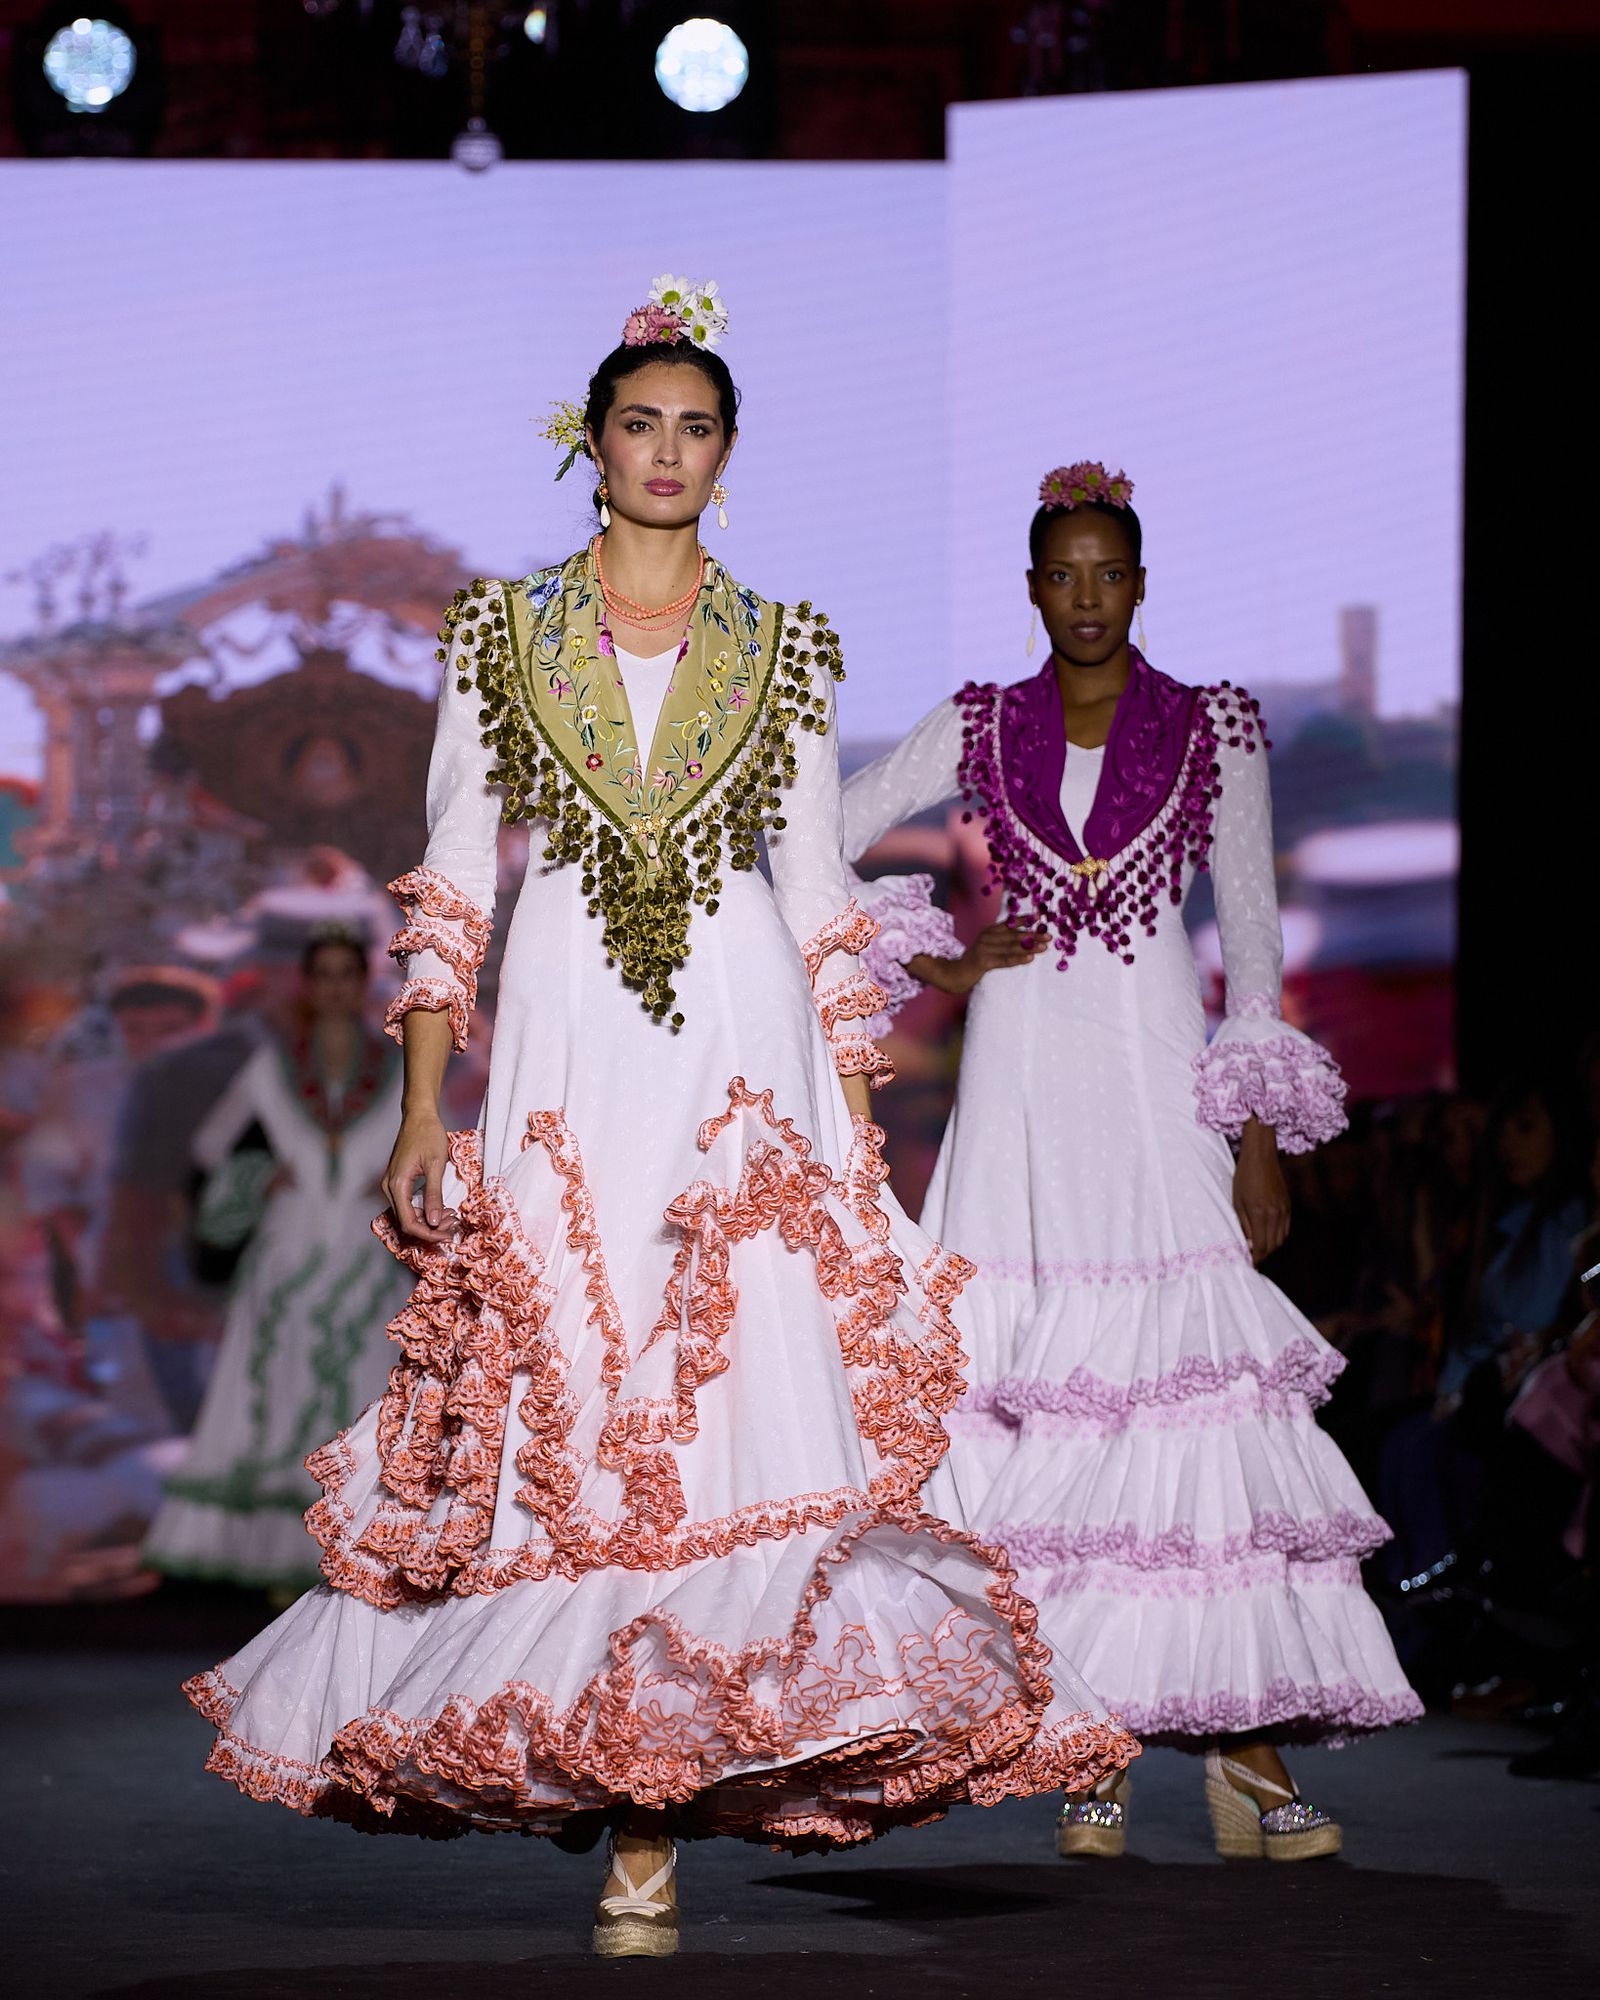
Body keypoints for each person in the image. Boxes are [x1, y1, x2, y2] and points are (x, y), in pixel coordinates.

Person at [182, 285, 1136, 1958]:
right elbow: (456, 880)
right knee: (580, 1388)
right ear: (593, 441)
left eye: (698, 428)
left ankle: (655, 1817)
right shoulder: (498, 636)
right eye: (642, 423)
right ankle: (616, 1782)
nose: (669, 453)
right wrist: (424, 1104)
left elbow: (823, 898)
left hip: (744, 1035)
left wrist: (856, 1130)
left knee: (740, 1408)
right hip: (567, 1044)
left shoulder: (788, 642)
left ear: (730, 452)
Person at [843, 462, 1420, 1861]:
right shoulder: (981, 722)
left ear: (1141, 585)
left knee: (1189, 1413)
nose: (1088, 597)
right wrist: (947, 951)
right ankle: (1085, 1740)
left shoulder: (1213, 727)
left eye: (1112, 573)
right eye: (1065, 574)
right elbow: (825, 833)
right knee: (1045, 1410)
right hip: (1028, 1087)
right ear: (1032, 587)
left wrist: (1262, 1141)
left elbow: (1257, 946)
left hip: (1160, 1074)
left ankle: (1246, 1760)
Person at [144, 928, 408, 1593]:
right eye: (324, 975)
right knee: (280, 1393)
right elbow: (209, 1149)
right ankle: (285, 1572)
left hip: (365, 1254)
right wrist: (260, 1176)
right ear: (307, 985)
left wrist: (399, 1177)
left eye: (348, 974)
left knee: (360, 1393)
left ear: (363, 982)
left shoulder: (402, 1068)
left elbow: (443, 1149)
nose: (337, 987)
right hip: (287, 1255)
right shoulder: (272, 1068)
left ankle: (358, 1559)